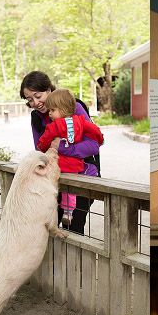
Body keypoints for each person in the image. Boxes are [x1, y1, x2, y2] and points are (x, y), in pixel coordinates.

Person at [20, 71, 101, 234]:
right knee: (52, 225)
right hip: (55, 178)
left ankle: (76, 260)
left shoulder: (73, 107)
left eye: (38, 95)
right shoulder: (36, 117)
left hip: (83, 174)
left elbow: (93, 145)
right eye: (30, 99)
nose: (35, 103)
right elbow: (39, 149)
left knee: (74, 227)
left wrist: (62, 148)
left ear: (49, 89)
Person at [36, 88, 104, 226]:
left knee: (67, 191)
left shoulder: (54, 126)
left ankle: (67, 212)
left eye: (52, 110)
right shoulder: (80, 121)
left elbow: (44, 141)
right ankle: (68, 212)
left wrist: (42, 147)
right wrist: (100, 138)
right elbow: (94, 130)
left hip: (62, 166)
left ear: (62, 109)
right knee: (86, 171)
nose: (49, 114)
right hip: (77, 164)